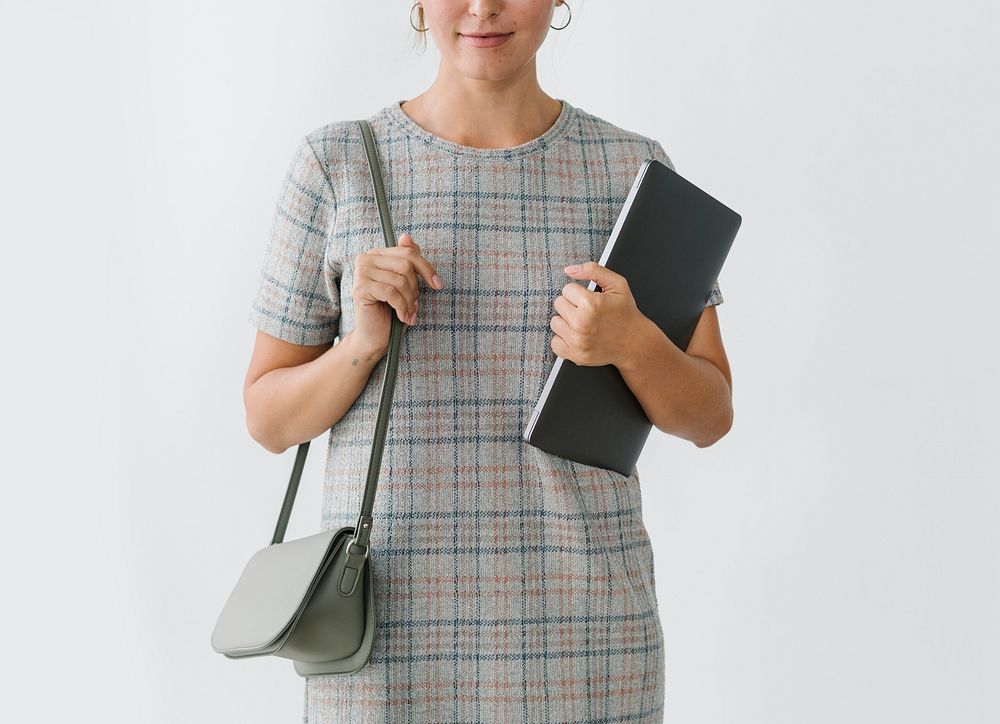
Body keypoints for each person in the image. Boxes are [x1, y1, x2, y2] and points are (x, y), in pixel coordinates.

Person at [243, 1, 733, 721]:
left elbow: (712, 414)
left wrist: (634, 344)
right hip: (381, 648)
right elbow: (267, 418)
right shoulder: (339, 163)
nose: (483, 8)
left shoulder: (632, 168)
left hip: (586, 650)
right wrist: (361, 347)